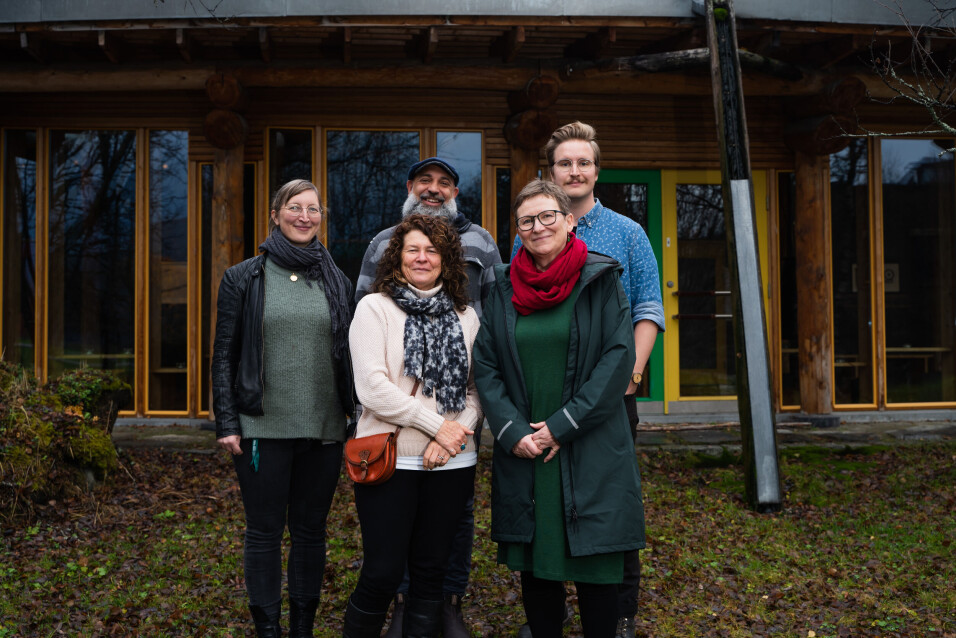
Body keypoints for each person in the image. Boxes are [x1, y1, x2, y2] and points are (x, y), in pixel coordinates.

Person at [512, 122, 665, 637]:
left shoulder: (627, 232)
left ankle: (619, 612)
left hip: (609, 396)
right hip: (546, 397)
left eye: (583, 163)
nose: (574, 171)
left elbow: (648, 306)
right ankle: (547, 612)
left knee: (610, 504)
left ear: (596, 171)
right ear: (549, 172)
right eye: (564, 163)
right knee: (548, 496)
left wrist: (633, 372)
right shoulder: (531, 231)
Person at [475, 178, 645, 638]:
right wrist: (513, 432)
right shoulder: (501, 288)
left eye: (548, 215)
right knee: (539, 570)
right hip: (528, 451)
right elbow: (486, 365)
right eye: (527, 220)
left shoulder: (601, 279)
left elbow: (617, 359)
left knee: (597, 573)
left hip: (591, 445)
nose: (538, 226)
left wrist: (561, 425)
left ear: (569, 221)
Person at [355, 156, 501, 637]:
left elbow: (477, 389)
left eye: (432, 250)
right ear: (397, 255)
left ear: (447, 258)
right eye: (413, 249)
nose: (422, 257)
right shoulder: (375, 309)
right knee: (380, 572)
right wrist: (440, 426)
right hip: (391, 456)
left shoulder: (466, 316)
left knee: (433, 572)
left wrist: (456, 437)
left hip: (451, 462)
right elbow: (372, 387)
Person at [212, 179, 356, 638]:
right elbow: (224, 356)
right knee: (264, 532)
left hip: (325, 428)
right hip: (260, 427)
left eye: (313, 210)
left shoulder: (337, 280)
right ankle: (268, 628)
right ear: (275, 214)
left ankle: (302, 627)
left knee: (311, 533)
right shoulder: (243, 277)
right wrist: (227, 420)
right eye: (294, 207)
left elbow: (349, 355)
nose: (304, 216)